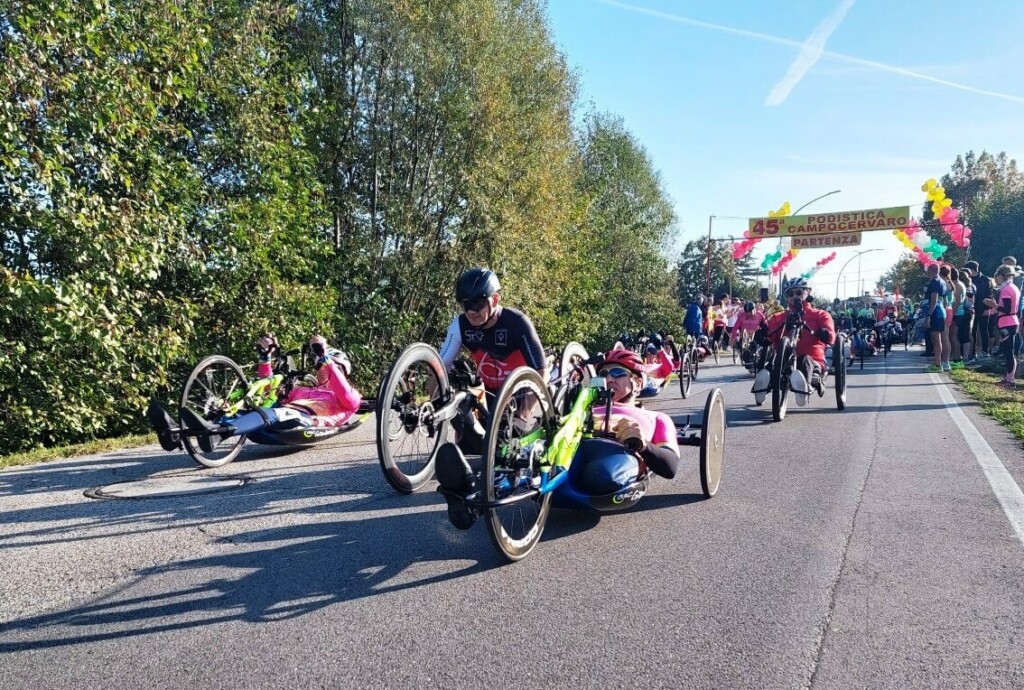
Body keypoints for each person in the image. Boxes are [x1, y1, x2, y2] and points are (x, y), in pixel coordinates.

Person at [154, 333, 363, 453]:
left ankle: (217, 432)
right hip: (269, 428)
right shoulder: (303, 389)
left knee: (278, 413)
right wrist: (265, 359)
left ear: (341, 369)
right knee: (249, 409)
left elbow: (343, 390)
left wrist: (325, 357)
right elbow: (268, 393)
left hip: (306, 423)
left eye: (329, 366)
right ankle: (177, 435)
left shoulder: (351, 397)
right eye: (321, 366)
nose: (323, 369)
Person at [437, 267, 548, 453]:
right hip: (488, 396)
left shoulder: (517, 323)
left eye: (478, 303)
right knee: (473, 441)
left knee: (509, 449)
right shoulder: (460, 325)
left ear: (495, 299)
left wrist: (523, 414)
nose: (471, 311)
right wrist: (435, 408)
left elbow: (542, 372)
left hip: (519, 395)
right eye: (466, 304)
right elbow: (439, 368)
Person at [752, 276, 835, 407]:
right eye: (790, 293)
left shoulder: (820, 315)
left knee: (806, 361)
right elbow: (769, 338)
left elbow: (831, 338)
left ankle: (804, 386)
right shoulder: (778, 317)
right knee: (771, 365)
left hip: (811, 358)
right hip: (782, 359)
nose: (794, 296)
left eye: (799, 292)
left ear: (808, 293)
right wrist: (762, 336)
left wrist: (825, 333)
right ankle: (763, 383)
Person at [985, 264, 1021, 387]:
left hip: (1007, 322)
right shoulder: (1013, 287)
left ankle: (1010, 380)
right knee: (1008, 350)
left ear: (1001, 276)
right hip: (1011, 321)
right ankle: (1008, 377)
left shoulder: (1006, 290)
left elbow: (1006, 308)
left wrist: (993, 304)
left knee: (1008, 351)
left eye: (996, 276)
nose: (995, 279)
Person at [964, 260, 992, 363]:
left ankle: (985, 351)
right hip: (972, 310)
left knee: (984, 331)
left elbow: (989, 294)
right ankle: (973, 353)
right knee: (973, 331)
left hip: (983, 308)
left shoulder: (985, 279)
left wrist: (987, 308)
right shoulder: (968, 279)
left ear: (972, 269)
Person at [923, 263, 948, 373]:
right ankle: (939, 362)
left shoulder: (935, 282)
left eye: (927, 271)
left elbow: (934, 299)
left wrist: (929, 315)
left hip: (936, 312)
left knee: (935, 338)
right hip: (941, 311)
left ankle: (937, 364)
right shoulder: (942, 281)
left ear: (931, 271)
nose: (927, 273)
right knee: (940, 338)